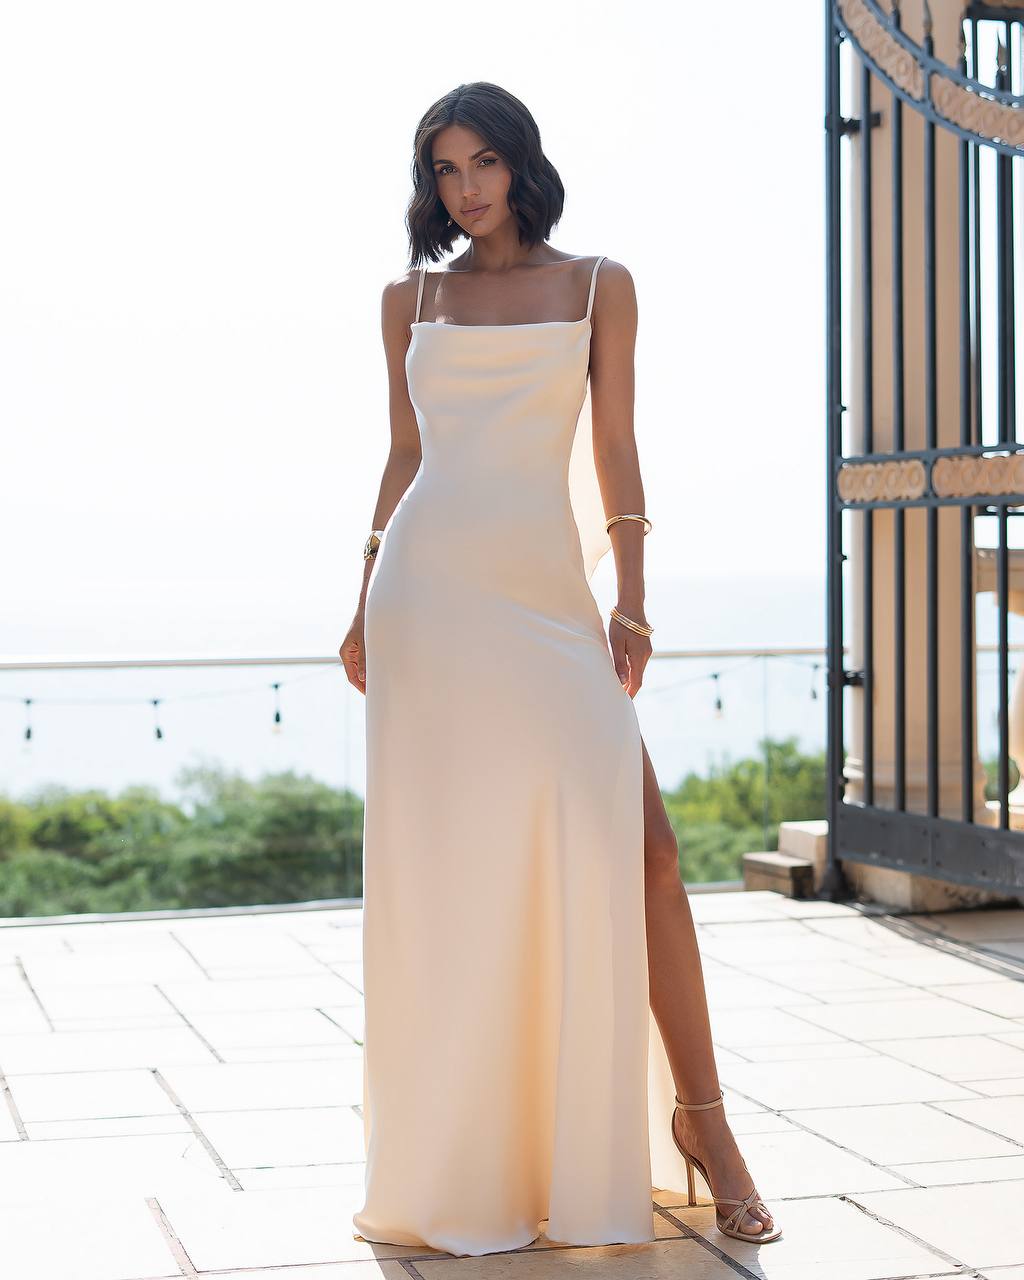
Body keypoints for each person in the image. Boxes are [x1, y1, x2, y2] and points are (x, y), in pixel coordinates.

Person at [339, 80, 780, 1259]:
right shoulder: (409, 300)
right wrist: (361, 595)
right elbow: (403, 452)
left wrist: (630, 598)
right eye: (444, 170)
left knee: (644, 849)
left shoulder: (596, 285)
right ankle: (474, 1156)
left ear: (521, 164)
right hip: (429, 603)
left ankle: (706, 1128)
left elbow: (615, 443)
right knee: (462, 872)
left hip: (548, 603)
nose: (466, 188)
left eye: (483, 162)